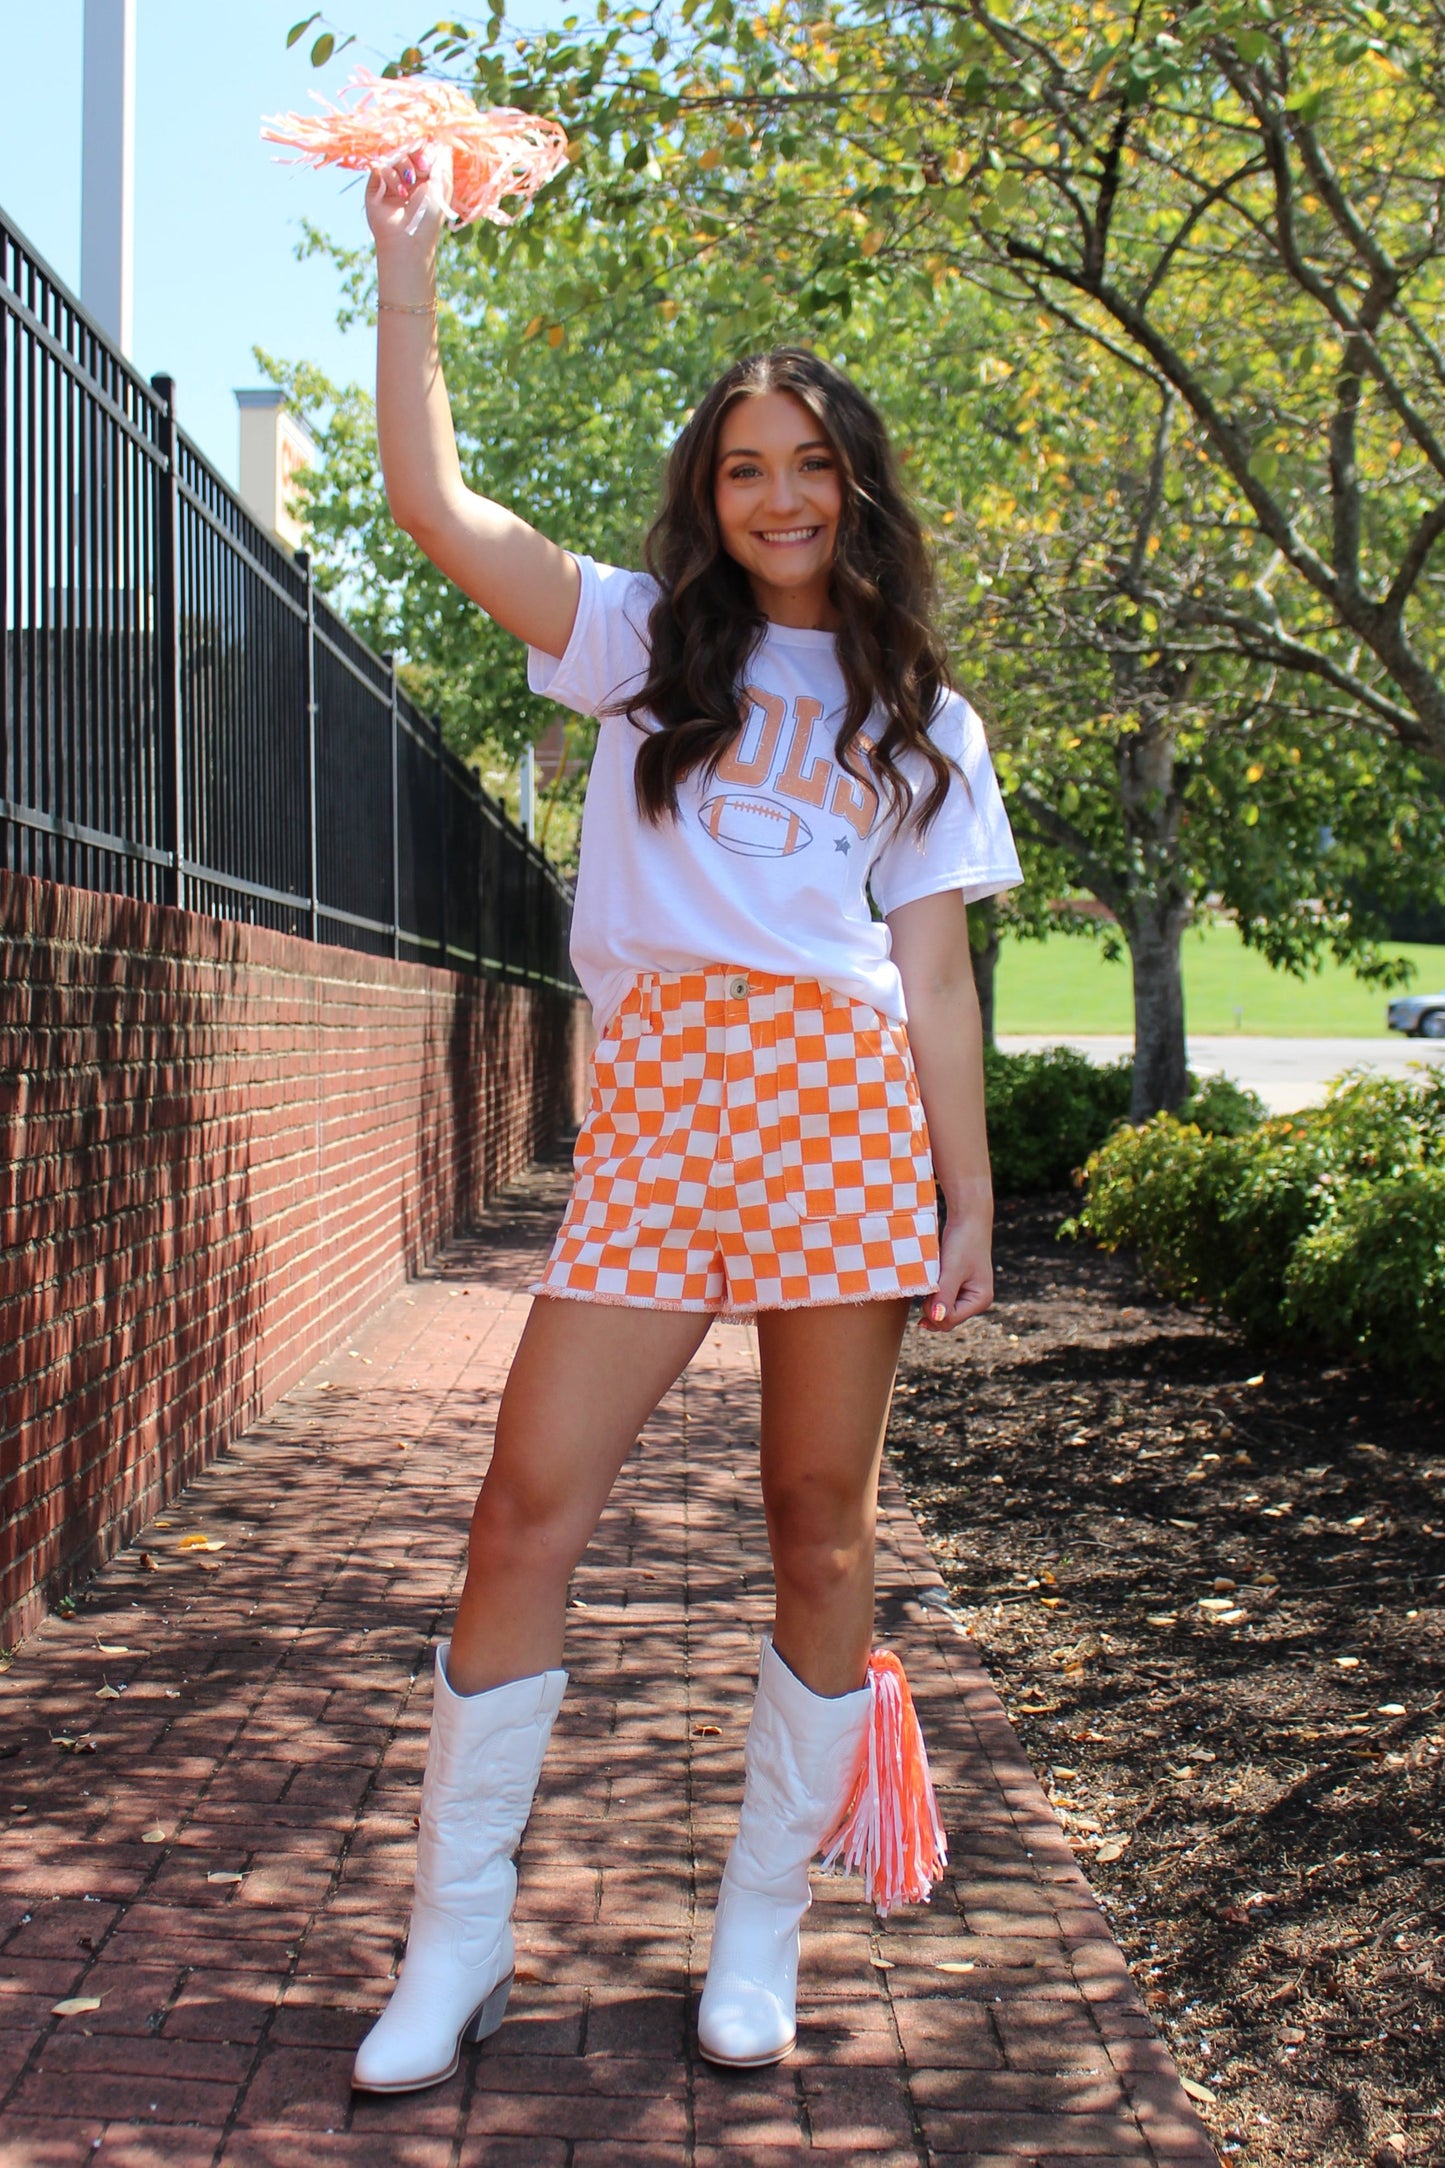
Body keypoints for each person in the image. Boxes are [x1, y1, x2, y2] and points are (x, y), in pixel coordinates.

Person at [350, 148, 1023, 2096]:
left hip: (839, 1124)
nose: (781, 496)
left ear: (857, 484)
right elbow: (434, 505)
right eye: (744, 466)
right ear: (706, 492)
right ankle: (456, 1942)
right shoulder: (639, 639)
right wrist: (412, 285)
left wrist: (966, 1194)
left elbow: (942, 980)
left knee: (818, 1526)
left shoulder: (923, 714)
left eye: (810, 465)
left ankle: (758, 1931)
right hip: (658, 1121)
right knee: (524, 1504)